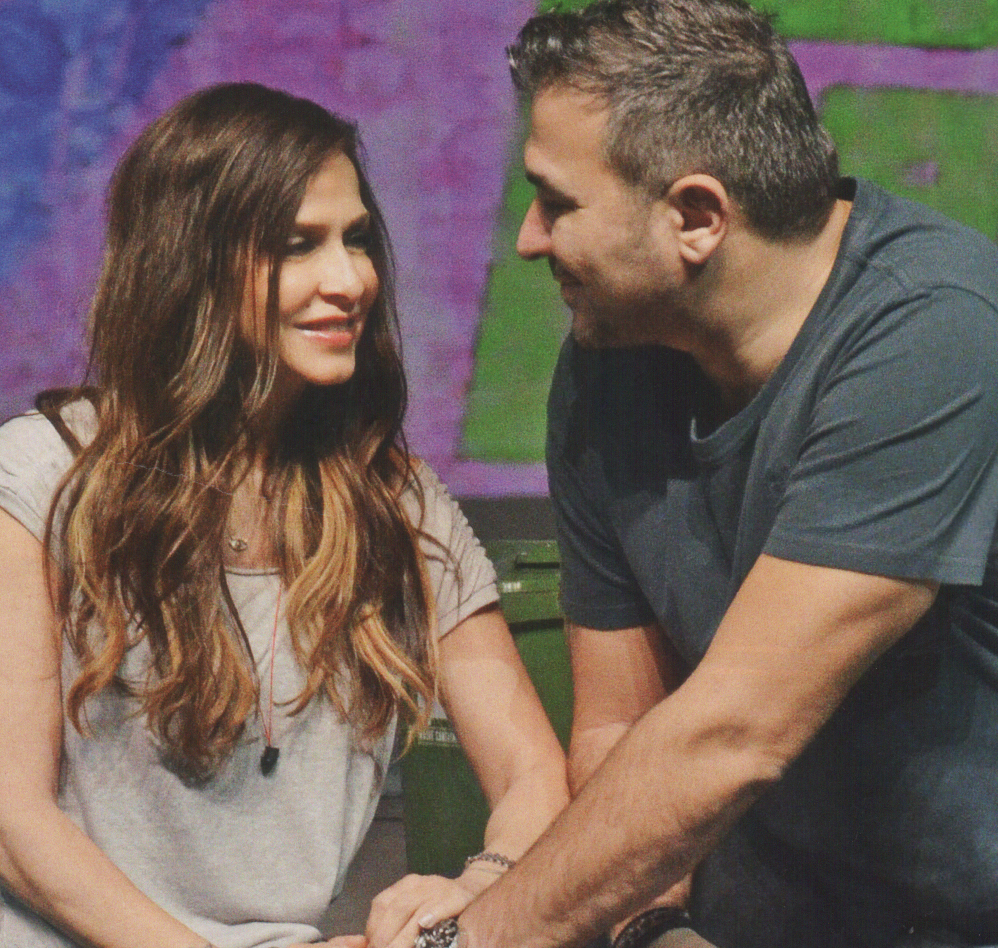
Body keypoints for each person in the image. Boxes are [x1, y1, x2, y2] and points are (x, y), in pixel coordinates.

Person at [409, 2, 998, 948]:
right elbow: (618, 728)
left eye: (557, 202)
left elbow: (734, 732)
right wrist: (649, 925)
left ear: (694, 217)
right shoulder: (606, 367)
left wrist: (468, 942)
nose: (528, 238)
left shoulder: (933, 333)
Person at [0, 82, 569, 948]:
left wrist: (480, 883)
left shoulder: (391, 501)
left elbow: (534, 772)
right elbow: (12, 829)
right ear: (188, 264)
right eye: (296, 246)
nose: (348, 280)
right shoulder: (43, 478)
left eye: (354, 239)